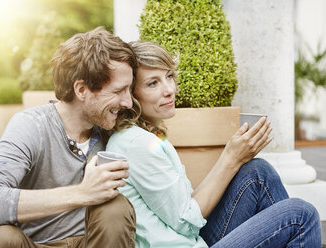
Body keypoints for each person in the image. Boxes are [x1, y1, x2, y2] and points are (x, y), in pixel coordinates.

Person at [106, 40, 322, 248]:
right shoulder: (137, 144)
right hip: (186, 241)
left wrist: (235, 159)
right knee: (301, 215)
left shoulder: (144, 137)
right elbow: (186, 222)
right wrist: (231, 158)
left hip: (190, 240)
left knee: (257, 172)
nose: (169, 89)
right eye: (153, 83)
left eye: (169, 76)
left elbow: (183, 211)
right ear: (131, 95)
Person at [0, 27, 138, 248]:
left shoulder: (115, 124)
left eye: (130, 90)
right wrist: (82, 193)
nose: (127, 102)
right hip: (35, 244)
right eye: (118, 91)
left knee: (115, 208)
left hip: (92, 242)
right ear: (81, 89)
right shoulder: (31, 125)